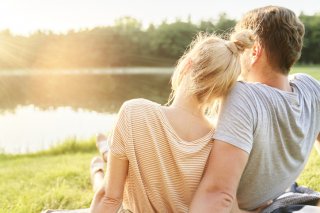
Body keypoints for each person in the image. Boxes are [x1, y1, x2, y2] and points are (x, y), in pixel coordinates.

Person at [89, 30, 255, 212]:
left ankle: (98, 165)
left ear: (187, 65)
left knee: (103, 184)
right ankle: (105, 150)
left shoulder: (134, 112)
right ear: (222, 89)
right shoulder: (220, 141)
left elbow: (110, 198)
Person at [189, 6, 320, 213]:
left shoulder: (244, 96)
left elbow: (219, 194)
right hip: (274, 198)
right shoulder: (311, 88)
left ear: (255, 50)